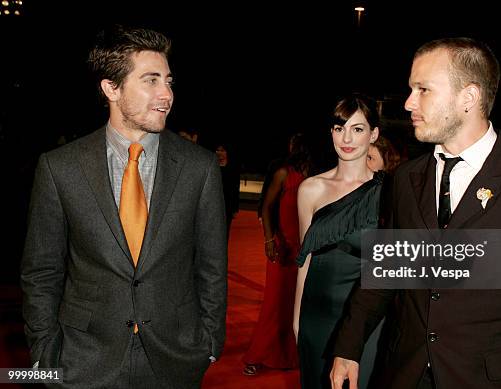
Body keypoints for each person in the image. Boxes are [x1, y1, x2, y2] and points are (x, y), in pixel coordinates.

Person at [330, 37, 501, 388]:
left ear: (469, 97)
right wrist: (348, 346)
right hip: (405, 373)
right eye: (411, 89)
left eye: (423, 90)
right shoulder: (405, 178)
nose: (408, 103)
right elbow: (385, 273)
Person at [20, 26, 227, 389]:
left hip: (174, 359)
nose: (167, 94)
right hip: (82, 359)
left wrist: (209, 344)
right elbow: (41, 270)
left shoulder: (200, 167)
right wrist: (42, 352)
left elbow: (211, 266)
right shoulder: (60, 167)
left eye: (168, 80)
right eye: (151, 80)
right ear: (111, 88)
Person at [294, 93, 384, 389]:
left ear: (374, 134)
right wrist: (297, 320)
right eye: (339, 128)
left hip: (362, 319)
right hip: (315, 316)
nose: (346, 137)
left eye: (357, 129)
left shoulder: (388, 193)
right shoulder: (311, 189)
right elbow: (304, 260)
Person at [241, 133, 311, 375]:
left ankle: (291, 355)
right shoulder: (284, 173)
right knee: (275, 304)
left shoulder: (317, 176)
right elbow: (267, 206)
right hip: (284, 248)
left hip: (307, 249)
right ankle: (257, 355)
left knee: (297, 305)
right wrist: (269, 239)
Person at [215, 142, 240, 237]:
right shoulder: (212, 166)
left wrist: (235, 208)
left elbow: (235, 188)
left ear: (226, 152)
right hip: (214, 204)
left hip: (227, 205)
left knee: (224, 231)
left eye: (222, 150)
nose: (219, 152)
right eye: (217, 150)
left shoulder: (232, 167)